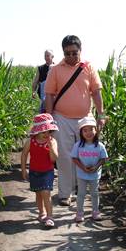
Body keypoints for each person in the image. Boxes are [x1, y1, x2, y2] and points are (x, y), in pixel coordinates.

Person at [44, 35, 107, 206]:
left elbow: (96, 92)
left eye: (74, 53)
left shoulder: (89, 68)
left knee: (86, 154)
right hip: (61, 117)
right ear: (63, 52)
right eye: (67, 54)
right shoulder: (55, 70)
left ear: (80, 51)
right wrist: (50, 120)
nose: (71, 57)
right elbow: (49, 95)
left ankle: (81, 188)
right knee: (64, 156)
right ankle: (65, 194)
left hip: (85, 118)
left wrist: (101, 115)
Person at [21, 113, 59, 227]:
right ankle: (41, 212)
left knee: (46, 193)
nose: (46, 134)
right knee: (38, 193)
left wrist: (51, 148)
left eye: (49, 131)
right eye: (43, 131)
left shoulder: (52, 141)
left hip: (47, 171)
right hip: (34, 171)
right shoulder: (31, 141)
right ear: (37, 131)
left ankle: (50, 216)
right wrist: (23, 169)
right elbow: (24, 155)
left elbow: (54, 159)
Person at [71, 116, 108, 222]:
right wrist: (83, 168)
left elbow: (103, 159)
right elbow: (74, 158)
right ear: (81, 132)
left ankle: (95, 211)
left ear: (96, 130)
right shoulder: (78, 145)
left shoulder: (100, 146)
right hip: (82, 175)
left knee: (95, 193)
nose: (88, 132)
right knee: (81, 194)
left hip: (95, 175)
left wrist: (96, 167)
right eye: (85, 130)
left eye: (91, 129)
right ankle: (79, 213)